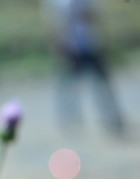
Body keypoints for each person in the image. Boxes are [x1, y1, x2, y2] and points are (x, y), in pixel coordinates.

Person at [42, 0, 125, 135]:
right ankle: (70, 122)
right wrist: (58, 47)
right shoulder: (57, 2)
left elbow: (96, 17)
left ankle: (112, 119)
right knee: (67, 87)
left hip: (90, 44)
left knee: (103, 84)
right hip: (69, 48)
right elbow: (53, 24)